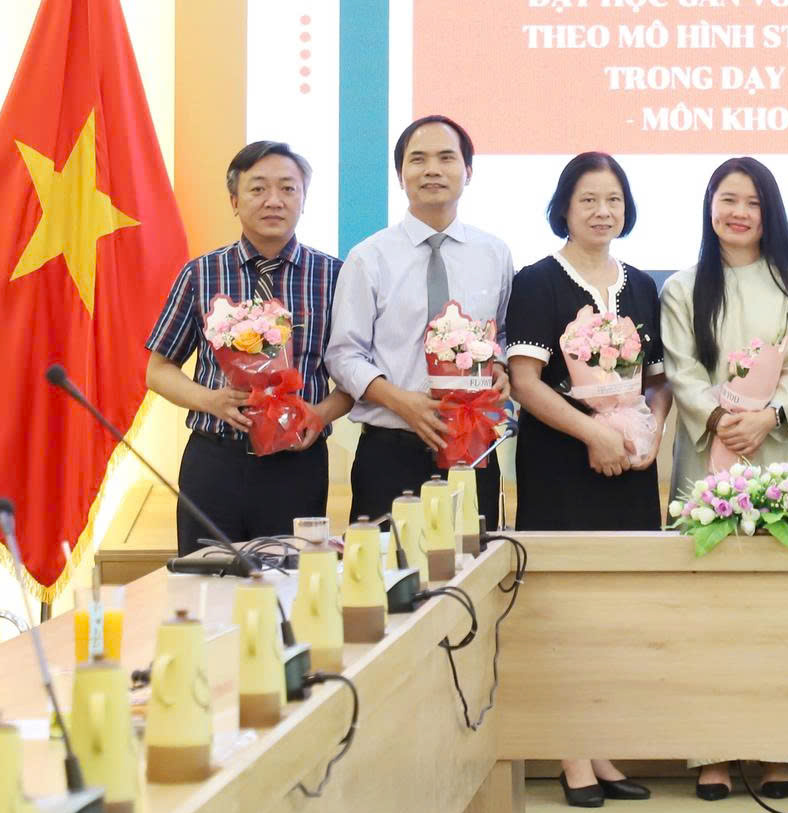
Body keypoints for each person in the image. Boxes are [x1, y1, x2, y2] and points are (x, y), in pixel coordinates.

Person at [504, 152, 667, 808]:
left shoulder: (642, 285)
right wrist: (593, 433)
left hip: (629, 471)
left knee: (616, 616)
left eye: (614, 199)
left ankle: (600, 747)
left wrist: (649, 432)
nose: (604, 211)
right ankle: (571, 754)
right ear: (564, 208)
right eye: (589, 200)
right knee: (565, 614)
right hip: (560, 467)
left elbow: (657, 382)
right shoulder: (537, 280)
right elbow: (524, 383)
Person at [660, 156, 788, 803]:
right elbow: (681, 369)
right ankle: (713, 752)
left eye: (753, 202)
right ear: (710, 205)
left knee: (782, 606)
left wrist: (769, 416)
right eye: (728, 199)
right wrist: (723, 420)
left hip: (780, 451)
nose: (739, 212)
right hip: (708, 457)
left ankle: (779, 750)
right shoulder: (682, 287)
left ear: (769, 212)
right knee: (710, 606)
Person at [143, 142, 349, 552]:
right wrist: (211, 401)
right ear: (234, 201)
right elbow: (158, 369)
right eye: (258, 189)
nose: (274, 200)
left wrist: (321, 414)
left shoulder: (335, 276)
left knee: (292, 580)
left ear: (304, 200)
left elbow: (354, 375)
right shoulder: (202, 273)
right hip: (216, 460)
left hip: (297, 464)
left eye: (288, 188)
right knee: (207, 577)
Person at [328, 114, 516, 527]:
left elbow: (502, 334)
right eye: (418, 159)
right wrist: (403, 403)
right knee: (387, 564)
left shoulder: (494, 254)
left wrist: (501, 366)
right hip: (391, 449)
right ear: (400, 175)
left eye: (446, 158)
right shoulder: (368, 257)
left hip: (473, 444)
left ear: (468, 171)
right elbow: (343, 355)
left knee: (476, 559)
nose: (432, 169)